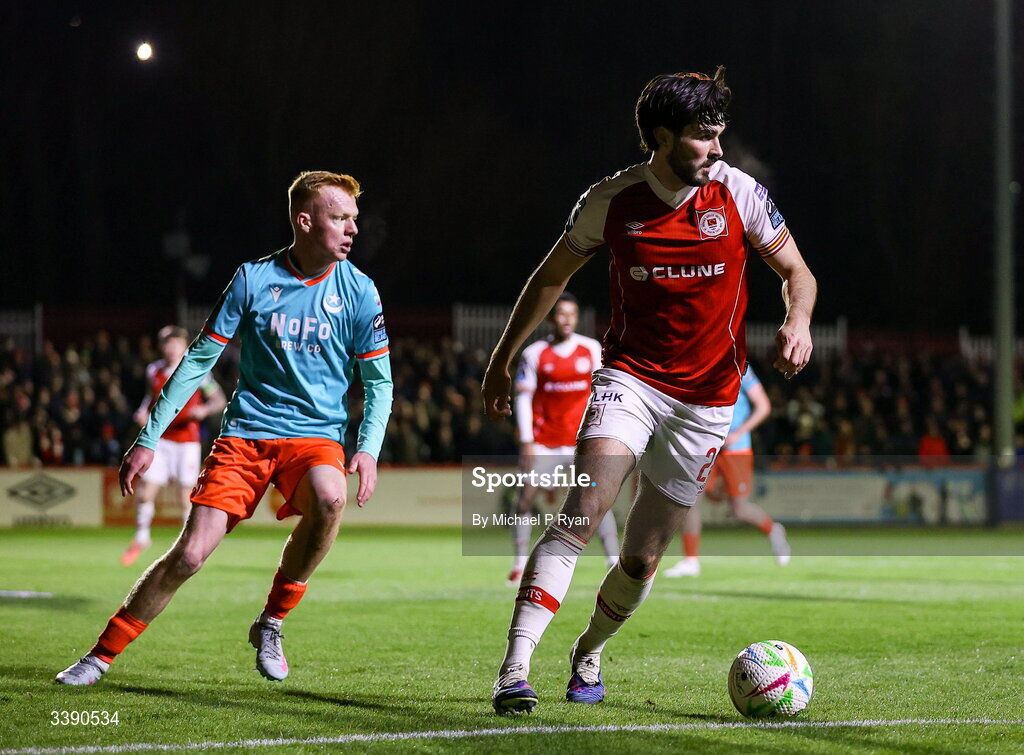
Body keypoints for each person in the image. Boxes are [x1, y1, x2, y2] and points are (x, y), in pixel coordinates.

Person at [481, 68, 816, 713]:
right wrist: (504, 357)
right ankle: (514, 670)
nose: (716, 150)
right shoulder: (612, 201)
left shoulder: (738, 194)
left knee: (641, 559)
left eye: (720, 136)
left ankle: (588, 652)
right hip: (631, 379)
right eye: (703, 137)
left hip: (710, 401)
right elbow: (551, 275)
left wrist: (797, 320)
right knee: (584, 510)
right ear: (662, 137)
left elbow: (798, 273)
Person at [56, 170, 393, 685]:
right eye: (339, 217)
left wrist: (367, 448)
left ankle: (272, 621)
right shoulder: (253, 279)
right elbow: (196, 362)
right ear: (304, 221)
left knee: (330, 498)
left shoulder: (361, 292)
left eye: (354, 219)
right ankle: (99, 656)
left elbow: (379, 382)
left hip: (316, 438)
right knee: (189, 556)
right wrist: (147, 439)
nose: (352, 229)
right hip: (246, 436)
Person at [508, 292, 618, 586]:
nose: (566, 319)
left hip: (580, 442)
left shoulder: (591, 349)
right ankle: (519, 564)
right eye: (561, 314)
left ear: (577, 317)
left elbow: (603, 391)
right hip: (544, 441)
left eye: (572, 313)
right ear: (550, 318)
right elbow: (523, 399)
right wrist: (528, 440)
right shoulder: (535, 354)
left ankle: (613, 560)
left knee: (598, 499)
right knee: (525, 499)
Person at [663, 364, 789, 577]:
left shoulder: (741, 368)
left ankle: (773, 529)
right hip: (705, 444)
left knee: (739, 509)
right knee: (691, 502)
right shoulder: (699, 363)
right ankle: (691, 561)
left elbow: (763, 406)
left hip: (735, 448)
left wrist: (738, 433)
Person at [121, 325, 227, 567]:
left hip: (187, 440)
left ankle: (186, 541)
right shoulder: (154, 370)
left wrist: (204, 410)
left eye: (176, 343)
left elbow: (219, 400)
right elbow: (151, 397)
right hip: (161, 440)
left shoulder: (197, 370)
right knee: (147, 489)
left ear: (184, 345)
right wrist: (142, 411)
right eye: (167, 343)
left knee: (185, 494)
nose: (172, 348)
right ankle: (141, 536)